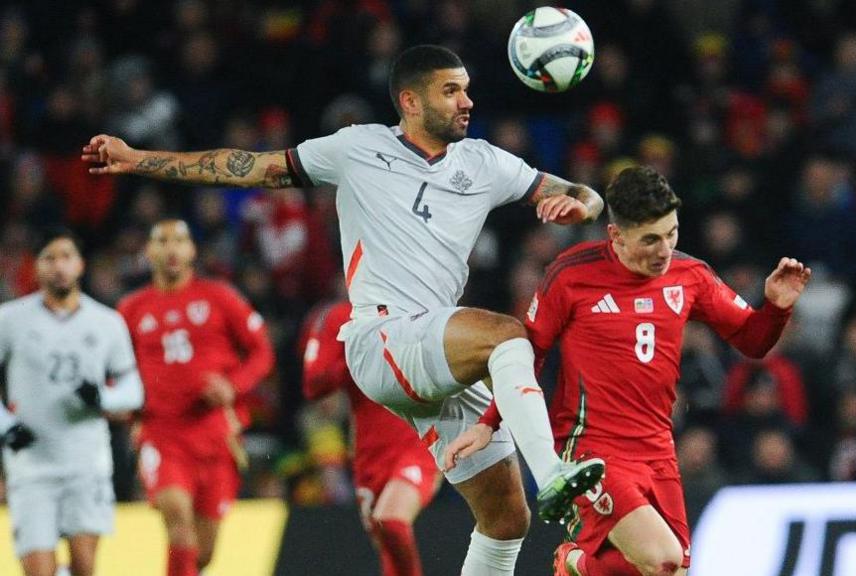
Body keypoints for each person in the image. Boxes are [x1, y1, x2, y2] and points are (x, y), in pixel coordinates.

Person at [84, 44, 605, 574]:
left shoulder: (486, 163)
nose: (467, 101)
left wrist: (580, 203)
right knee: (506, 335)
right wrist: (136, 159)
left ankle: (542, 483)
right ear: (411, 101)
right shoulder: (357, 149)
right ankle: (555, 473)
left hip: (435, 350)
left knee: (505, 520)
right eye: (451, 91)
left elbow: (578, 190)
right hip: (382, 337)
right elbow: (247, 167)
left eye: (467, 88)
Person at [447, 166, 811, 576]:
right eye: (651, 239)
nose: (664, 250)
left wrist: (777, 307)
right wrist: (490, 422)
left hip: (658, 450)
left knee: (669, 571)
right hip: (591, 449)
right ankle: (577, 561)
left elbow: (752, 341)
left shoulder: (689, 275)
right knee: (662, 559)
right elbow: (526, 357)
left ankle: (578, 567)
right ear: (616, 235)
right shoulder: (572, 275)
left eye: (672, 234)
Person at [117, 220, 274, 576]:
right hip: (162, 434)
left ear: (192, 251)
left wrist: (233, 386)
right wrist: (128, 412)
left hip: (215, 435)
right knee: (178, 523)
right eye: (162, 241)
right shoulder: (131, 309)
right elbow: (112, 368)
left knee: (203, 553)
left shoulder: (219, 297)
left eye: (180, 240)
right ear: (149, 252)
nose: (171, 248)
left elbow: (262, 352)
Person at [0, 228, 144, 576]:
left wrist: (102, 397)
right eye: (49, 258)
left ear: (80, 265)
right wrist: (6, 426)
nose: (59, 266)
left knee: (84, 566)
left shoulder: (107, 322)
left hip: (86, 464)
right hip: (30, 466)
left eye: (66, 257)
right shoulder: (9, 320)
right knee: (38, 570)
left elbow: (134, 388)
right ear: (36, 267)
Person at [302, 299, 441, 576]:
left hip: (421, 439)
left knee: (391, 520)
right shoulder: (336, 316)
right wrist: (357, 353)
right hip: (370, 452)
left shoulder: (418, 302)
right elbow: (313, 385)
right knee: (387, 543)